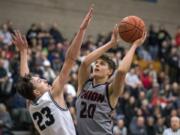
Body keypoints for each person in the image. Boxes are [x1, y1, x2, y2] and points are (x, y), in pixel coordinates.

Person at [12, 7, 93, 135]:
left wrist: (23, 52)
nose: (44, 80)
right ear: (37, 91)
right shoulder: (53, 94)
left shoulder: (31, 105)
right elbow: (70, 59)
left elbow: (25, 80)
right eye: (40, 81)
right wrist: (82, 30)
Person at [76, 24, 146, 135]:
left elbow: (121, 71)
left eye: (102, 64)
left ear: (110, 72)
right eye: (96, 63)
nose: (97, 65)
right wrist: (110, 44)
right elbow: (85, 63)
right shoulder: (84, 84)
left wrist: (134, 45)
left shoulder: (110, 90)